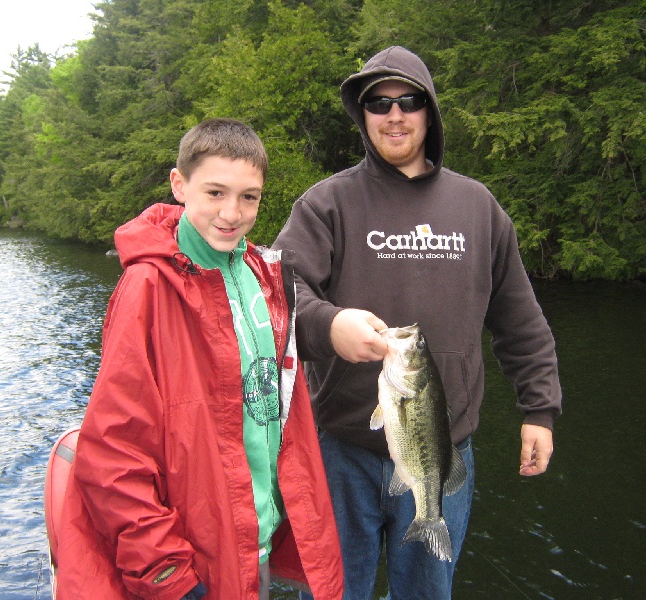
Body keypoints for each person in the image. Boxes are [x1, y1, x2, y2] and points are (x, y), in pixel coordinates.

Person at [273, 46, 562, 599]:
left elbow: (520, 319)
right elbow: (279, 296)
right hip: (341, 452)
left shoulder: (477, 208)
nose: (394, 114)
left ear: (429, 111)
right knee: (333, 592)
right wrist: (328, 326)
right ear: (363, 117)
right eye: (378, 104)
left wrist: (539, 409)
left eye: (408, 100)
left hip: (444, 450)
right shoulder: (326, 204)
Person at [55, 118, 344, 600]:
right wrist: (164, 570)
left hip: (258, 544)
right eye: (214, 192)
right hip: (192, 555)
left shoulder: (262, 273)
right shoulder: (146, 290)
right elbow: (113, 449)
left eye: (248, 197)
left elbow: (276, 410)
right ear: (179, 185)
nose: (231, 212)